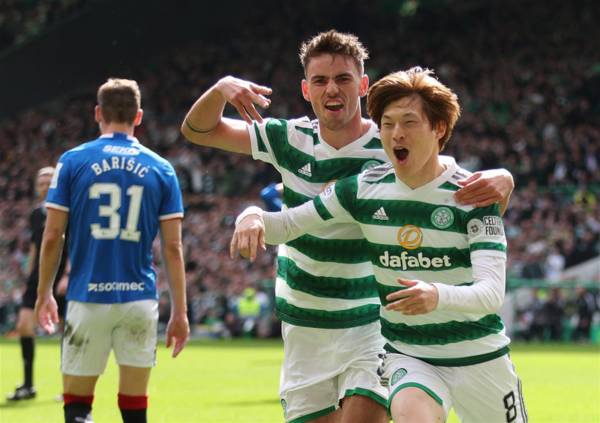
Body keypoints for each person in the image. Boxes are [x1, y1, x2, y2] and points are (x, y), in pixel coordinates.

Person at [181, 30, 514, 423]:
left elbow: (443, 183)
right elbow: (197, 130)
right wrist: (221, 89)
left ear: (363, 85)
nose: (332, 89)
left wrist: (505, 178)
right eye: (320, 80)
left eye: (343, 78)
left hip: (368, 320)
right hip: (304, 318)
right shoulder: (288, 138)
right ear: (306, 89)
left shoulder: (390, 141)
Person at [35, 78, 189, 423]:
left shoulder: (72, 161)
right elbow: (173, 247)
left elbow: (53, 235)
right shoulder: (162, 168)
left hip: (87, 296)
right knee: (134, 408)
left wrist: (44, 293)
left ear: (97, 113)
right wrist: (180, 312)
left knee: (77, 405)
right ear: (139, 116)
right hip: (139, 299)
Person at [7, 167, 69, 401]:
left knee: (68, 331)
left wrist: (68, 274)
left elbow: (75, 244)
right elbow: (36, 246)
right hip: (38, 277)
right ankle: (28, 385)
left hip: (62, 275)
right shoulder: (36, 214)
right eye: (41, 182)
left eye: (48, 181)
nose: (44, 186)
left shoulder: (69, 209)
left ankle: (69, 387)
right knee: (24, 325)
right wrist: (29, 274)